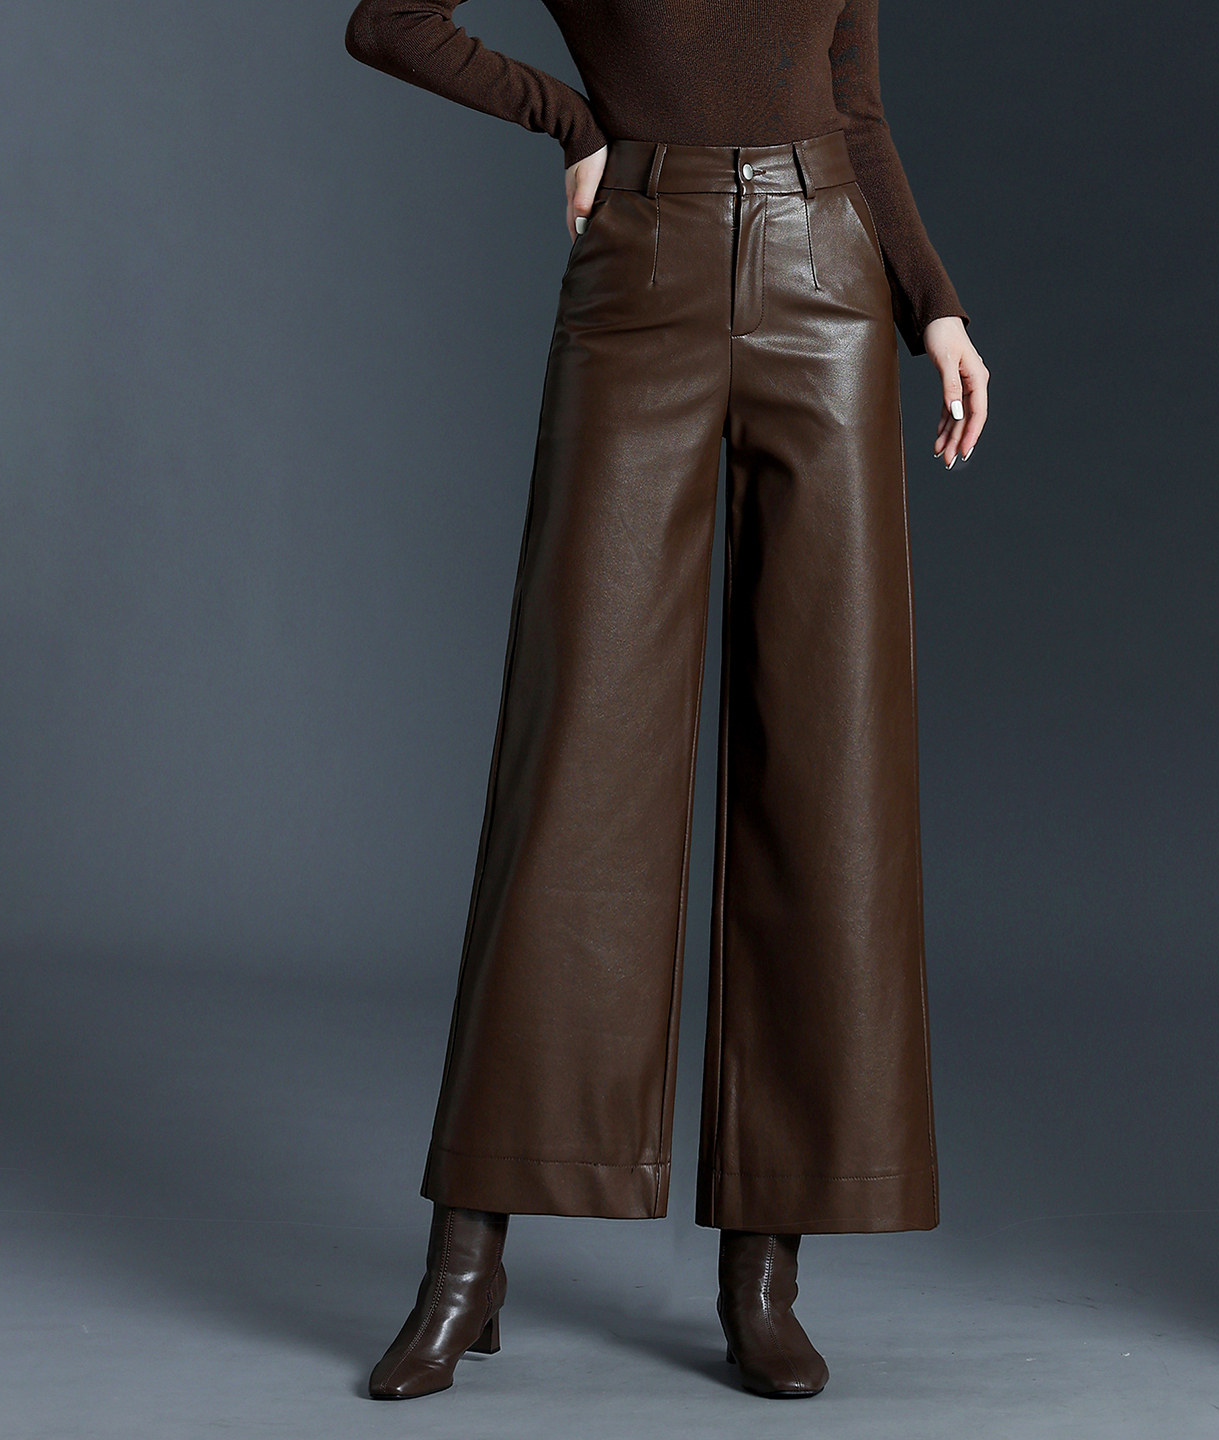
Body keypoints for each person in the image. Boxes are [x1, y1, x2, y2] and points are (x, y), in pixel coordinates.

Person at [343, 0, 989, 1402]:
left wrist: (931, 301)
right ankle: (466, 1263)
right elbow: (388, 24)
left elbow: (853, 105)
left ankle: (765, 1272)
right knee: (576, 761)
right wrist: (571, 122)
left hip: (828, 279)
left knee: (825, 765)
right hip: (642, 276)